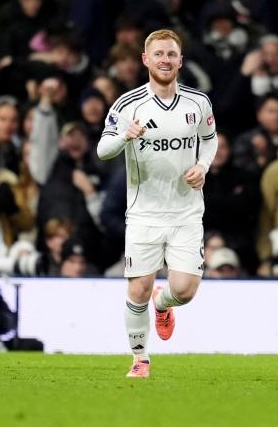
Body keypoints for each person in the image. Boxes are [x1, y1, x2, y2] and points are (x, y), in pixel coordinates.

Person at [97, 29, 218, 378]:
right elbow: (102, 151)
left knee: (185, 290)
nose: (165, 60)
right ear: (145, 60)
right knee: (138, 288)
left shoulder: (199, 103)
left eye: (171, 54)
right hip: (144, 213)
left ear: (180, 61)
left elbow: (210, 141)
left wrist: (203, 166)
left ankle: (164, 304)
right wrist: (125, 135)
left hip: (186, 211)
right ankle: (140, 358)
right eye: (159, 54)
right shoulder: (127, 104)